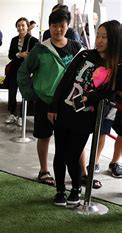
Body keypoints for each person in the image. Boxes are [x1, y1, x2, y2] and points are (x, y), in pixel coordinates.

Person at [48, 20, 120, 206]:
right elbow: (66, 81)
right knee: (60, 153)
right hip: (65, 110)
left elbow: (109, 91)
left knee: (73, 155)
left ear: (114, 39)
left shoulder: (117, 66)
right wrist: (54, 106)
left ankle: (76, 189)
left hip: (86, 117)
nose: (100, 40)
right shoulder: (85, 55)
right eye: (98, 35)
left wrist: (92, 96)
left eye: (105, 37)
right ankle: (60, 190)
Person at [18, 9, 82, 186]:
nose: (58, 30)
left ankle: (82, 172)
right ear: (49, 27)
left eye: (62, 26)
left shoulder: (76, 47)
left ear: (68, 26)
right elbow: (23, 73)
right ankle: (44, 170)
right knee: (44, 136)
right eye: (55, 26)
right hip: (46, 102)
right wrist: (31, 94)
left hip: (69, 103)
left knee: (75, 137)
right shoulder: (40, 49)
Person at [5, 17, 39, 126]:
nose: (21, 28)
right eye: (18, 25)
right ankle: (12, 114)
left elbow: (37, 55)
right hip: (14, 71)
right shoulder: (14, 40)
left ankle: (21, 116)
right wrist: (19, 54)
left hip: (27, 72)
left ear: (27, 27)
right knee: (12, 92)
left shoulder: (33, 40)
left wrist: (28, 56)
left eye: (23, 25)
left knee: (24, 94)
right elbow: (10, 55)